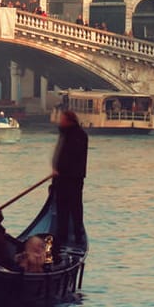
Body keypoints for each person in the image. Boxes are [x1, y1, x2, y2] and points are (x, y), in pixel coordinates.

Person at [51, 108, 88, 254]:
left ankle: (77, 235)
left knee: (74, 207)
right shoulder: (65, 134)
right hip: (61, 178)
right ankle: (62, 236)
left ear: (69, 120)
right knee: (62, 209)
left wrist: (60, 169)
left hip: (73, 178)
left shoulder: (79, 135)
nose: (59, 121)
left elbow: (72, 156)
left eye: (62, 119)